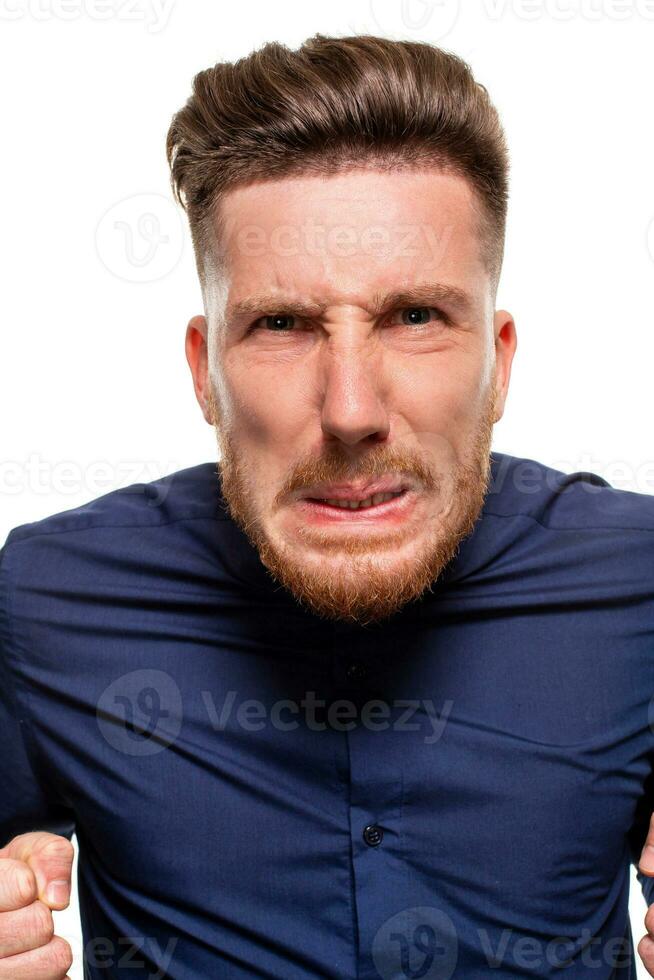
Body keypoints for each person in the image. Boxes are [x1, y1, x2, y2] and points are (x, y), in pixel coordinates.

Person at [1, 31, 654, 979]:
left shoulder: (640, 582)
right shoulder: (42, 599)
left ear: (500, 361)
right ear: (204, 373)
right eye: (281, 324)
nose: (351, 410)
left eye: (416, 317)